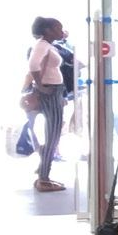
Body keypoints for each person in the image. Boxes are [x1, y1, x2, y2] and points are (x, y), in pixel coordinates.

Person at [24, 17, 68, 192]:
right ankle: (44, 178)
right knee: (53, 135)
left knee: (53, 133)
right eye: (58, 28)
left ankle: (43, 171)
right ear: (48, 30)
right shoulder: (42, 45)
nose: (61, 31)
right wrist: (41, 86)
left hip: (53, 91)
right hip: (50, 92)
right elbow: (33, 64)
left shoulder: (46, 44)